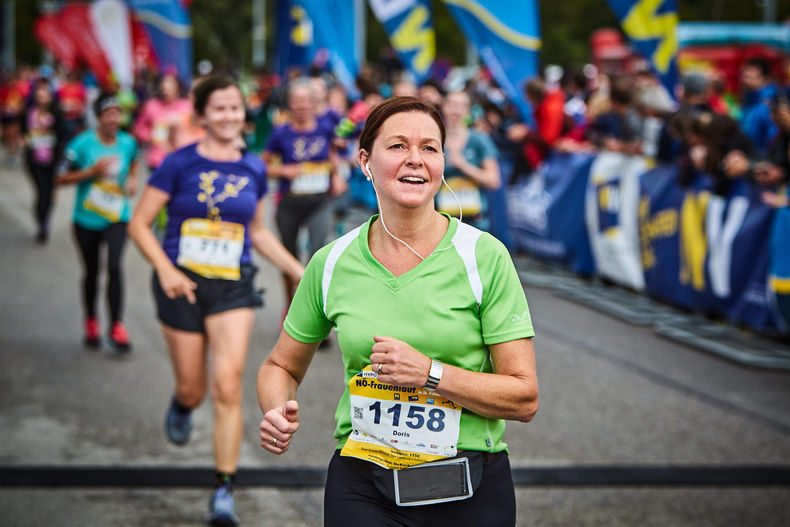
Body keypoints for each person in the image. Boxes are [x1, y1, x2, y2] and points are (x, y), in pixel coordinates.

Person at [257, 96, 539, 526]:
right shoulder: (331, 262)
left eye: (429, 147)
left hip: (468, 482)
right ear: (365, 160)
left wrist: (430, 372)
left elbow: (524, 397)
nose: (415, 160)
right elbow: (281, 365)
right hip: (363, 482)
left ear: (443, 161)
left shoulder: (484, 256)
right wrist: (277, 409)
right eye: (398, 146)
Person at [127, 74, 304, 527]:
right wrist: (166, 270)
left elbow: (258, 231)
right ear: (202, 115)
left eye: (235, 108)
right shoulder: (177, 163)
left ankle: (224, 489)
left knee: (228, 386)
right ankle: (183, 403)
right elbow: (140, 223)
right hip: (180, 284)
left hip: (234, 286)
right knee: (195, 387)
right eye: (219, 108)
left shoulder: (255, 168)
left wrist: (298, 269)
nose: (229, 116)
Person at [57, 93, 139, 350]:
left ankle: (116, 326)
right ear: (98, 117)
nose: (114, 119)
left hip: (117, 216)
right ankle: (91, 319)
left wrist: (133, 179)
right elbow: (60, 177)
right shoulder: (81, 144)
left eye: (118, 113)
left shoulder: (128, 142)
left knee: (115, 268)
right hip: (86, 218)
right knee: (92, 272)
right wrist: (90, 173)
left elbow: (134, 162)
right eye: (109, 114)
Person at [263, 79, 345, 304]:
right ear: (290, 104)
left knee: (318, 255)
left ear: (313, 102)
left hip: (319, 201)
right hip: (289, 202)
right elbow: (263, 166)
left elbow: (331, 155)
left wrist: (336, 176)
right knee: (289, 258)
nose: (301, 105)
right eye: (296, 101)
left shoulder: (325, 128)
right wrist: (283, 170)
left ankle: (315, 311)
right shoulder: (280, 132)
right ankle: (291, 307)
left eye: (306, 100)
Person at [439, 90, 501, 231]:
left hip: (475, 222)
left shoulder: (480, 139)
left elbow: (494, 180)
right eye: (452, 104)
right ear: (444, 107)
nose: (455, 110)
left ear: (468, 110)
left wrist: (463, 165)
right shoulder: (434, 139)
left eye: (461, 106)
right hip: (441, 222)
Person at [22, 77, 66, 243]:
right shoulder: (28, 112)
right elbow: (23, 132)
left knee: (48, 193)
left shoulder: (56, 114)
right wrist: (24, 140)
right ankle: (42, 221)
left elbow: (63, 135)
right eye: (39, 93)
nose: (42, 96)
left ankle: (44, 221)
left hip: (52, 161)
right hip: (34, 161)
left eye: (45, 93)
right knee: (42, 191)